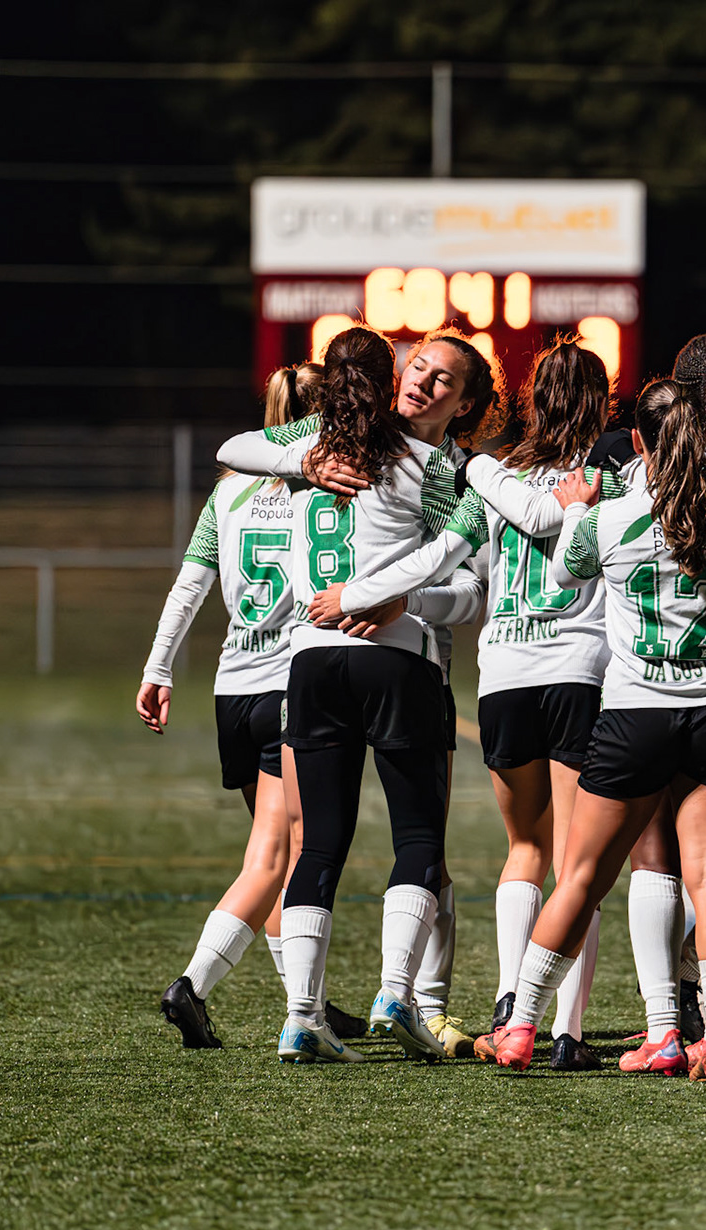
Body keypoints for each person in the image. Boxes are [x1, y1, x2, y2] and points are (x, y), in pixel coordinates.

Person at [311, 335, 616, 1070]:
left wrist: (404, 594)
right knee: (580, 863)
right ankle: (563, 1031)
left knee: (525, 850)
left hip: (504, 672)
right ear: (603, 404)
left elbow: (472, 587)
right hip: (576, 666)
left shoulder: (488, 479)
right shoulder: (615, 475)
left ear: (530, 403)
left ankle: (512, 1001)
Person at [216, 329, 499, 1059]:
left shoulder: (333, 441)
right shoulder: (436, 469)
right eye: (417, 368)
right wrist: (402, 600)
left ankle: (302, 1016)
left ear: (465, 402)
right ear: (394, 374)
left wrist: (401, 598)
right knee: (416, 840)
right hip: (390, 665)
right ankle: (394, 996)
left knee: (320, 847)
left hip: (313, 661)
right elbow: (468, 583)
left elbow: (236, 448)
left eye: (444, 379)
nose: (425, 383)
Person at [490, 376, 706, 1084]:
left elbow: (562, 573)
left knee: (580, 878)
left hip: (634, 712)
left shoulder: (605, 518)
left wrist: (586, 511)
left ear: (636, 440)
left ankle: (521, 1027)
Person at [145, 362, 360, 1048]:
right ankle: (194, 985)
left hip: (230, 689)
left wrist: (158, 667)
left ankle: (312, 1001)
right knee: (275, 859)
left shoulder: (229, 491)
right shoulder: (318, 487)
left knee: (282, 856)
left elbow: (188, 588)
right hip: (287, 686)